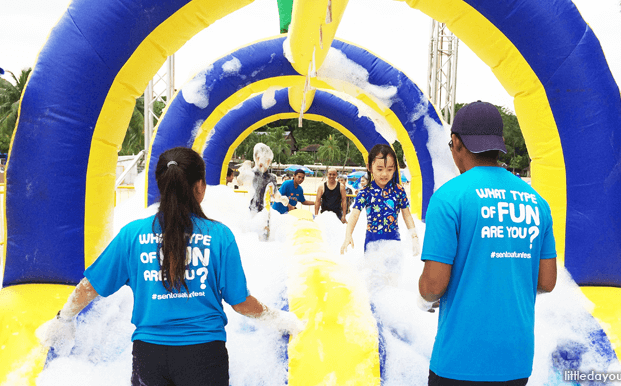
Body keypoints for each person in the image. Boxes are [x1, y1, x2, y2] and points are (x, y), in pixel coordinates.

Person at [36, 147, 302, 386]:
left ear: (162, 185)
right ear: (200, 186)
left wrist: (62, 320)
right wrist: (277, 318)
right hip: (204, 355)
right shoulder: (219, 236)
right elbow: (240, 302)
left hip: (148, 357)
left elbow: (88, 287)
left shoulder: (132, 235)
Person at [418, 101, 557, 385]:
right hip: (515, 361)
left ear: (456, 143)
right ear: (500, 144)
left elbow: (433, 286)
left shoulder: (449, 198)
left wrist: (423, 295)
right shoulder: (536, 202)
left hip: (459, 360)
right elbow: (547, 280)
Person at [340, 144, 420, 256]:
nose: (384, 174)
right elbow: (354, 215)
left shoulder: (398, 190)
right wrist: (348, 235)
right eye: (380, 169)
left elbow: (406, 215)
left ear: (395, 169)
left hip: (393, 243)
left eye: (390, 169)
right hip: (372, 245)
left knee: (393, 273)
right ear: (369, 167)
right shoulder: (365, 192)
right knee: (373, 272)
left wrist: (414, 235)